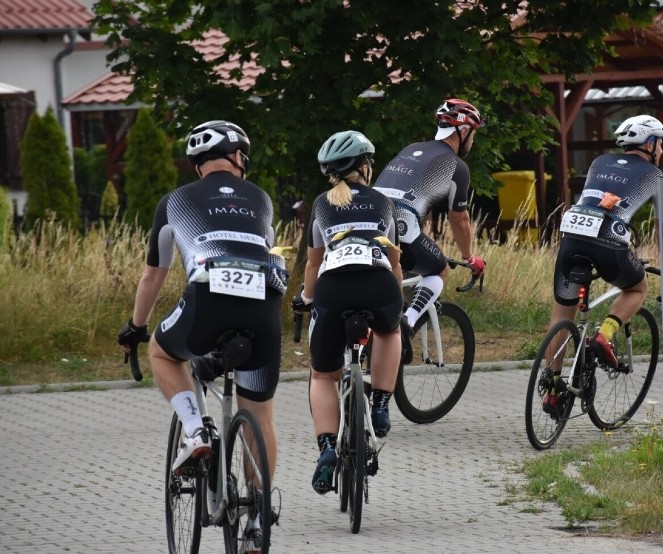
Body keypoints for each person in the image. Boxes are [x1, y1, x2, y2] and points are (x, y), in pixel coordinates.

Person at [117, 120, 286, 544]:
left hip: (208, 297)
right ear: (237, 157)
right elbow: (263, 247)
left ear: (198, 165)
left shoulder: (175, 202)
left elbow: (153, 274)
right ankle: (258, 518)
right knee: (260, 413)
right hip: (264, 303)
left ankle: (197, 430)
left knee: (162, 351)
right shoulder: (262, 199)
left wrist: (136, 326)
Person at [292, 130, 403, 495]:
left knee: (323, 376)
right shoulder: (383, 202)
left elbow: (313, 264)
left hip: (333, 289)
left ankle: (326, 450)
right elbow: (394, 260)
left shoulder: (322, 204)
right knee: (389, 331)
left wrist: (307, 300)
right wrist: (395, 299)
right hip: (378, 283)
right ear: (365, 167)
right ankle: (383, 403)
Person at [544, 114, 663, 410]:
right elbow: (662, 229)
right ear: (649, 143)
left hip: (571, 237)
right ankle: (604, 335)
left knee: (561, 318)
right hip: (608, 240)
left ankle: (551, 389)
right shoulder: (656, 178)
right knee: (637, 288)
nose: (662, 151)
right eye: (660, 144)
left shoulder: (599, 162)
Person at [373, 98, 487, 363]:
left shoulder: (411, 149)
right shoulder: (456, 166)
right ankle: (408, 322)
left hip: (369, 221)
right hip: (401, 227)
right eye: (474, 134)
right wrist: (470, 258)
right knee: (438, 269)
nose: (473, 141)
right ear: (464, 131)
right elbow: (459, 219)